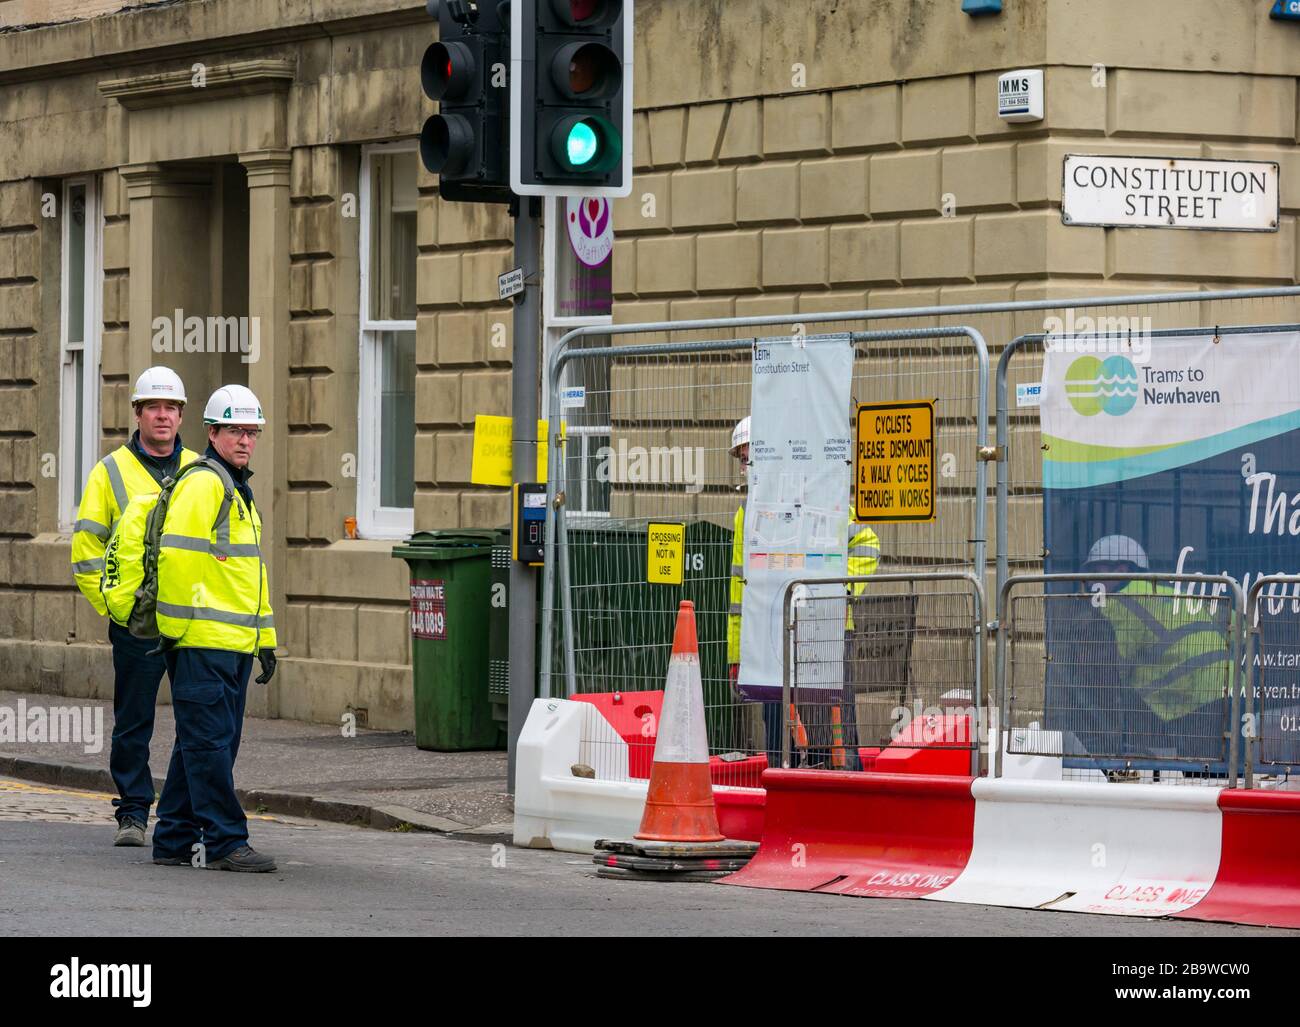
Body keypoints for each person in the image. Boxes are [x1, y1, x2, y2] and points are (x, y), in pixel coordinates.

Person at [150, 385, 278, 873]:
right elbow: (178, 558)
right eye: (235, 431)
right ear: (213, 433)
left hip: (232, 645)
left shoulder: (237, 490)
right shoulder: (205, 484)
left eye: (251, 432)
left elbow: (250, 575)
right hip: (201, 643)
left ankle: (174, 837)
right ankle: (226, 841)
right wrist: (176, 632)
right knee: (210, 744)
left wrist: (265, 640)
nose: (245, 440)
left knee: (200, 743)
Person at [70, 366, 198, 847]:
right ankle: (133, 812)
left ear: (181, 415)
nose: (162, 416)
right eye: (153, 408)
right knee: (134, 721)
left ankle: (186, 812)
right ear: (138, 414)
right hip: (136, 624)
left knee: (196, 720)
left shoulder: (200, 470)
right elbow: (86, 550)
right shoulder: (110, 472)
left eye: (170, 408)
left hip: (187, 618)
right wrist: (115, 608)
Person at [726, 416, 881, 771]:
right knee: (780, 729)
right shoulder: (746, 514)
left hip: (825, 631)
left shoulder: (813, 497)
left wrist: (835, 591)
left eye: (751, 457)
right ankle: (788, 786)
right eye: (742, 459)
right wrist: (738, 654)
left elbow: (867, 545)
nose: (745, 466)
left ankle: (845, 788)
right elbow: (739, 593)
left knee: (834, 727)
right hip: (771, 639)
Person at [1064, 534, 1231, 765]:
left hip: (1193, 698)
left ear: (1122, 569)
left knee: (1198, 774)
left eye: (1097, 571)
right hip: (1232, 688)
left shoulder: (1119, 602)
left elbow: (1113, 670)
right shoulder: (1164, 592)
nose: (1092, 583)